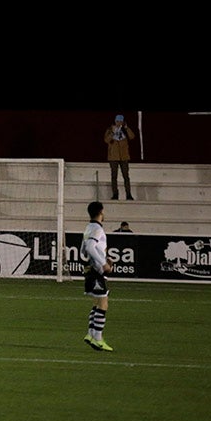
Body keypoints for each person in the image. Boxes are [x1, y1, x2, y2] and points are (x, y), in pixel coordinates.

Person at [82, 200, 114, 352]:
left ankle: (90, 334)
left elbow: (83, 250)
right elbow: (89, 247)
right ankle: (98, 339)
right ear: (101, 212)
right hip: (96, 272)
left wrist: (97, 259)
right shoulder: (97, 229)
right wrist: (103, 263)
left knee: (96, 303)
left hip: (91, 271)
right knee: (103, 304)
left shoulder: (89, 228)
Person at [104, 114, 135, 200]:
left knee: (126, 176)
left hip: (124, 156)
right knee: (114, 176)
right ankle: (115, 194)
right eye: (117, 121)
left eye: (121, 121)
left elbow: (132, 136)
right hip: (113, 157)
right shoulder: (110, 129)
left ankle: (128, 194)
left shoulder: (125, 130)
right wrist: (113, 132)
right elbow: (106, 140)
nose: (119, 123)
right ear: (115, 121)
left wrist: (127, 128)